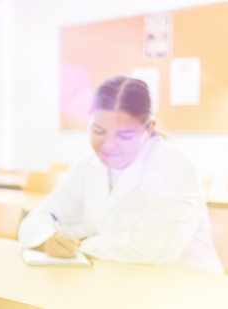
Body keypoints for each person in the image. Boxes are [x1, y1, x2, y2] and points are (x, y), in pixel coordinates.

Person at [17, 76, 224, 274]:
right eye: (98, 131)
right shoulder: (87, 165)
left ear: (149, 129)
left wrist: (79, 246)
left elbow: (152, 249)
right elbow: (36, 221)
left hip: (187, 287)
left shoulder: (172, 162)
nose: (109, 145)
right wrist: (47, 240)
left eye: (125, 135)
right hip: (118, 280)